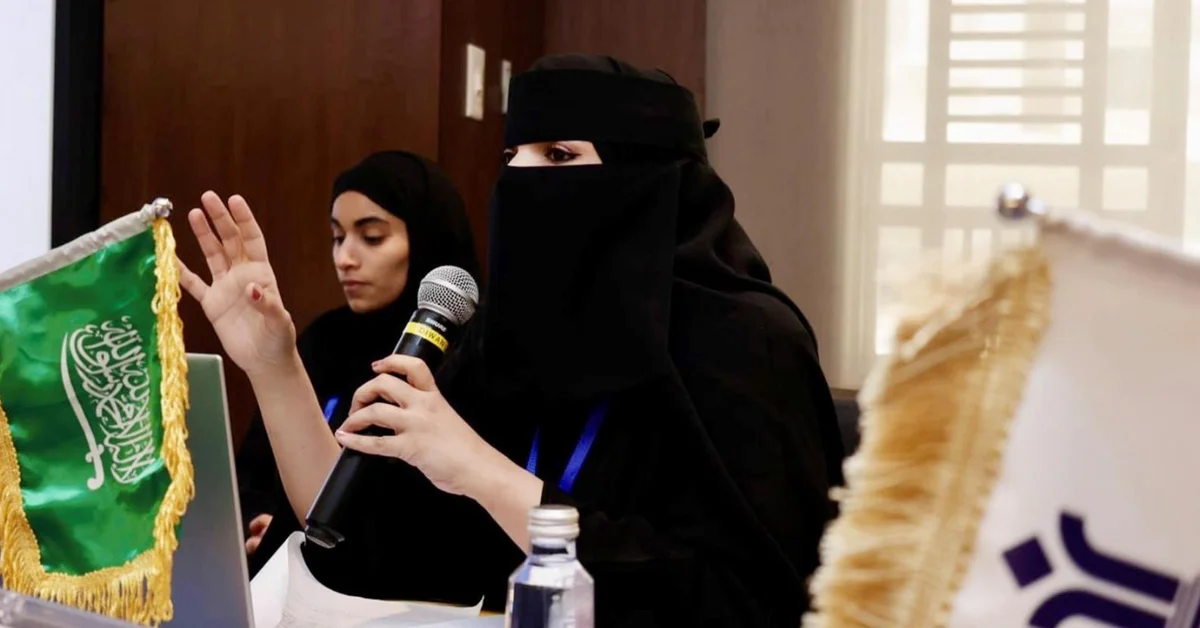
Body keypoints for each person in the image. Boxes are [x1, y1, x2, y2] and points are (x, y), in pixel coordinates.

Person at [179, 54, 844, 627]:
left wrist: (481, 470)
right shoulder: (508, 337)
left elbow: (748, 599)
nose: (521, 179)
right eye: (511, 157)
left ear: (647, 183)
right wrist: (274, 366)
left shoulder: (749, 344)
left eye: (558, 156)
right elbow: (362, 543)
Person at [229, 150, 480, 569]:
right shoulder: (324, 338)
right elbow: (251, 471)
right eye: (337, 237)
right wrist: (261, 522)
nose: (345, 257)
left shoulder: (470, 353)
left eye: (372, 237)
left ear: (426, 238)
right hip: (290, 573)